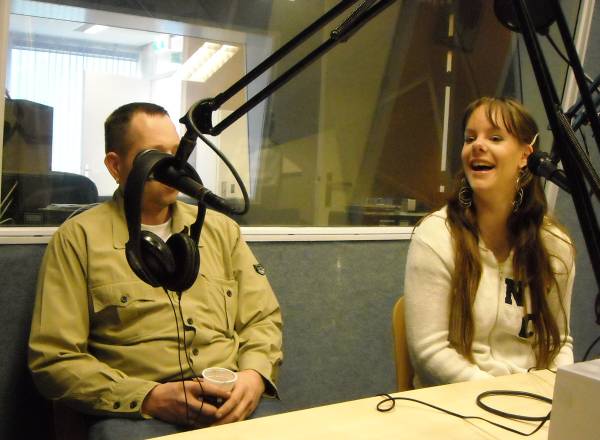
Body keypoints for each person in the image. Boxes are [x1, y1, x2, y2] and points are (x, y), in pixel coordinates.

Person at [28, 102, 283, 440]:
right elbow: (54, 359)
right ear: (115, 165)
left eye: (177, 154)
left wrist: (254, 375)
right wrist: (149, 397)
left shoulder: (221, 231)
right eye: (154, 155)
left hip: (230, 399)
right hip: (139, 413)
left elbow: (262, 320)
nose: (173, 167)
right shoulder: (78, 239)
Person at [404, 96, 574, 388]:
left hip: (532, 399)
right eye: (470, 138)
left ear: (525, 156)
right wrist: (498, 393)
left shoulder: (555, 245)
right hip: (458, 400)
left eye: (495, 138)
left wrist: (557, 394)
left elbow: (559, 342)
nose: (477, 145)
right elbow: (429, 352)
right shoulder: (436, 236)